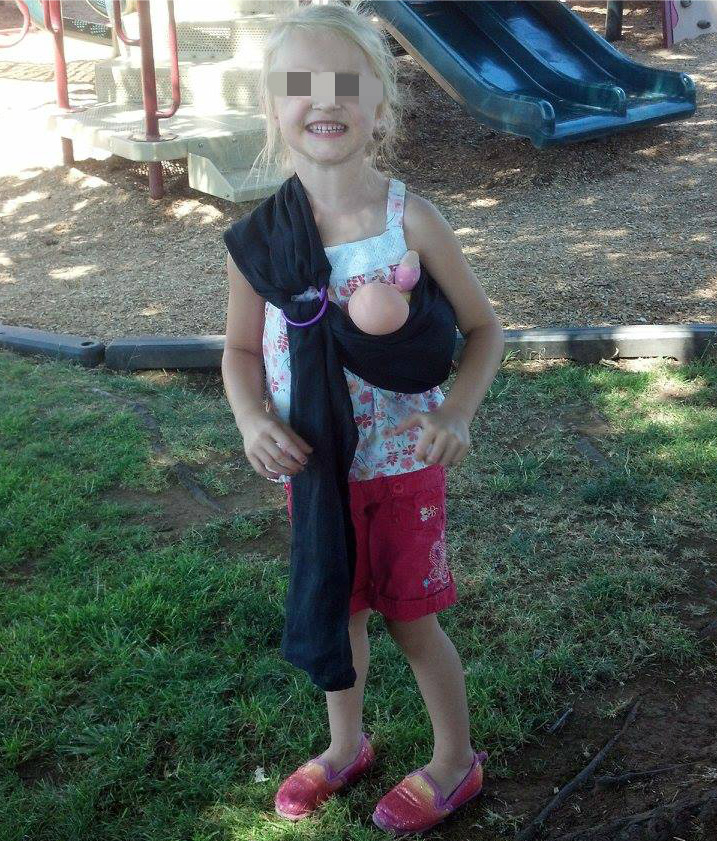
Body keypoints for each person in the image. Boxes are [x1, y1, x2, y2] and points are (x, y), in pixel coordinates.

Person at [220, 1, 504, 834]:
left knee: (413, 622)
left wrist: (456, 412)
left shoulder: (408, 219)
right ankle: (345, 745)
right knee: (337, 610)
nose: (323, 99)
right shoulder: (261, 240)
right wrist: (249, 419)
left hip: (401, 468)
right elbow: (239, 350)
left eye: (344, 81)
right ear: (272, 108)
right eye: (298, 84)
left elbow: (483, 330)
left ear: (380, 105)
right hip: (315, 469)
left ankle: (453, 760)